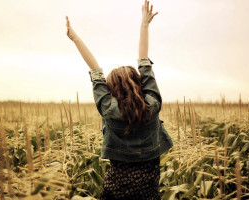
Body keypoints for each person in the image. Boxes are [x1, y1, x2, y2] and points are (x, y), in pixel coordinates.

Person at [65, 0, 173, 199]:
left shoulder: (108, 109)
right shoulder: (153, 104)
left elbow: (96, 72)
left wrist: (75, 38)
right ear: (140, 84)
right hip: (148, 193)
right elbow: (144, 62)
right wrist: (144, 25)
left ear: (112, 90)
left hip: (115, 190)